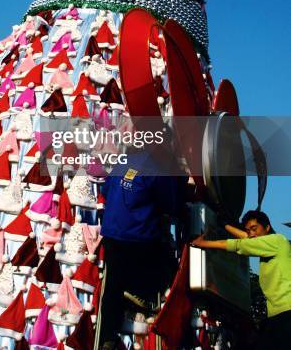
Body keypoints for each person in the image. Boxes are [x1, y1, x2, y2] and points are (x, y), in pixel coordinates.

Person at [98, 143, 183, 350]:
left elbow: (106, 190)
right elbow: (171, 205)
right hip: (138, 235)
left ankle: (107, 337)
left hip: (111, 232)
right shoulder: (159, 169)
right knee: (169, 263)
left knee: (112, 288)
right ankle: (142, 291)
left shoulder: (122, 163)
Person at [192, 210, 291, 349]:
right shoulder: (269, 246)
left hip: (286, 313)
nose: (251, 233)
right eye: (248, 230)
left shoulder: (277, 240)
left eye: (254, 228)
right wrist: (225, 225)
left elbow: (240, 244)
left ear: (267, 228)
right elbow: (248, 239)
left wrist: (204, 243)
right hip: (276, 316)